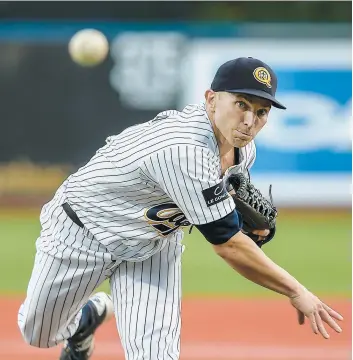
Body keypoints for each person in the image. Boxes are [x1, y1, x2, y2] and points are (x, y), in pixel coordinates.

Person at [18, 57, 343, 360]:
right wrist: (295, 290)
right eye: (241, 104)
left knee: (155, 354)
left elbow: (221, 209)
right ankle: (86, 319)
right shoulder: (184, 149)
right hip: (83, 231)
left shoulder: (245, 149)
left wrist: (245, 224)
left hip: (152, 244)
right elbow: (227, 244)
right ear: (212, 99)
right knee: (38, 334)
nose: (249, 121)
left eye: (261, 112)